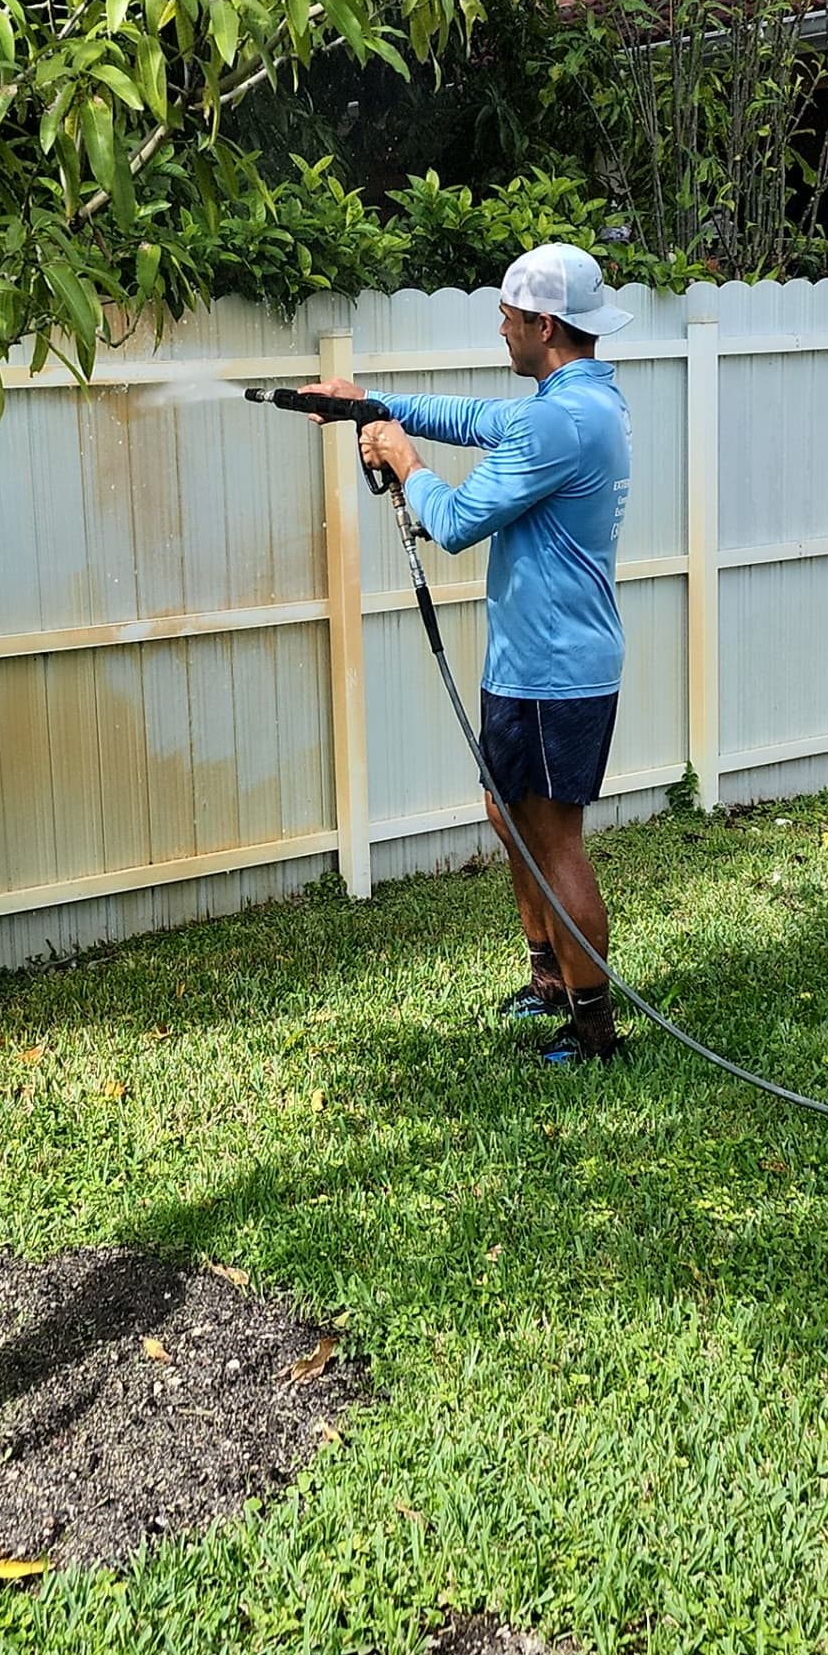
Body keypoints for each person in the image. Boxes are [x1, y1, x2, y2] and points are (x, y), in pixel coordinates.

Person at [314, 241, 633, 1064]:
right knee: (507, 811)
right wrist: (368, 403)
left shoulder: (564, 419)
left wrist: (400, 459)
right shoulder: (572, 401)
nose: (499, 328)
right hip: (527, 665)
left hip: (556, 673)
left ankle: (593, 1028)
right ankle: (549, 977)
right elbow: (471, 418)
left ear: (544, 323)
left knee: (553, 835)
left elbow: (452, 523)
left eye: (507, 316)